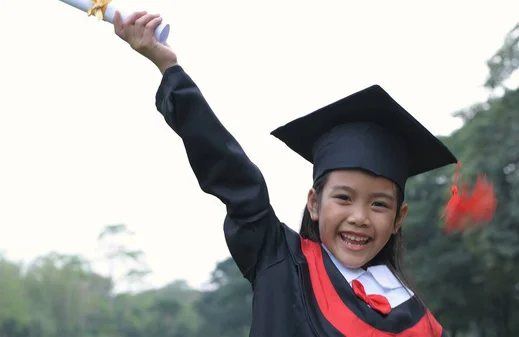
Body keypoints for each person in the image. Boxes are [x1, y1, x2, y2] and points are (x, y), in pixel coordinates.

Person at [113, 11, 494, 337]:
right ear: (314, 202)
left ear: (399, 219)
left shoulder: (420, 322)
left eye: (379, 204)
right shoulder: (282, 262)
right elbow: (233, 174)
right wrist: (169, 69)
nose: (359, 217)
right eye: (343, 197)